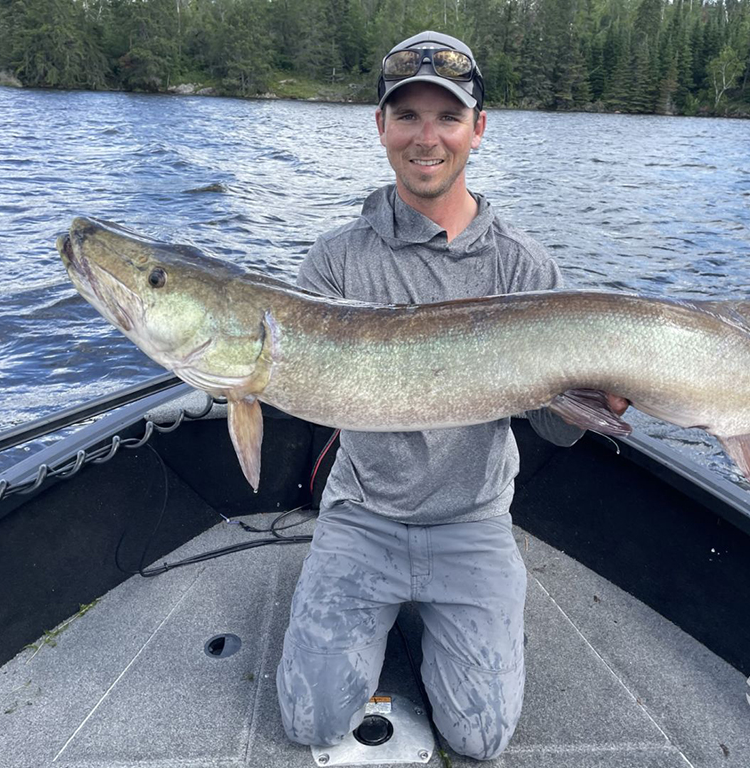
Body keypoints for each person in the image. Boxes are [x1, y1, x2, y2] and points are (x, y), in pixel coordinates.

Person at [275, 30, 626, 761]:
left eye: (448, 117)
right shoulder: (336, 260)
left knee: (483, 738)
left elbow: (556, 431)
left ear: (478, 129)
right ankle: (378, 612)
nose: (426, 138)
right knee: (309, 722)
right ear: (380, 127)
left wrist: (599, 401)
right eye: (406, 116)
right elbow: (300, 385)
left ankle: (441, 619)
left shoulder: (525, 266)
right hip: (362, 515)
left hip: (473, 521)